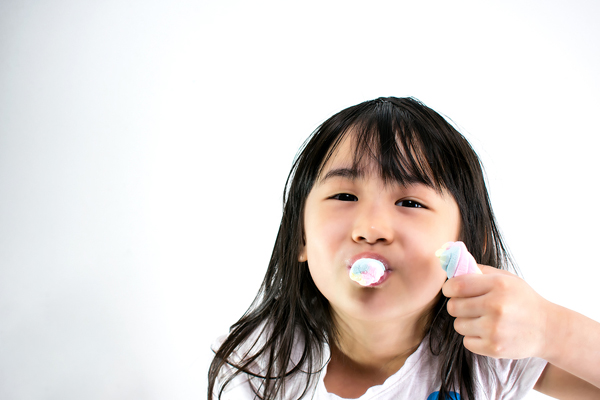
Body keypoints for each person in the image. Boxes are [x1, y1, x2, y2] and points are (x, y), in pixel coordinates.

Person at [208, 97, 600, 399]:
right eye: (345, 195)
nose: (372, 229)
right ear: (300, 238)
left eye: (410, 203)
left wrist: (553, 330)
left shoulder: (494, 354)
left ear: (468, 246)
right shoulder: (259, 369)